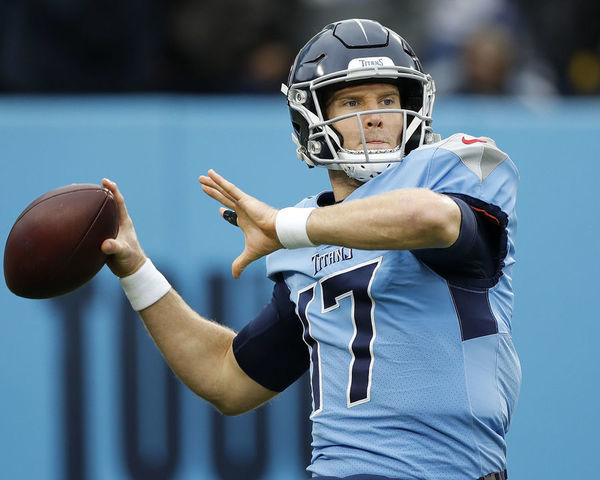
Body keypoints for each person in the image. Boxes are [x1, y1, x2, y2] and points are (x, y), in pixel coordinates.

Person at [101, 19, 520, 480]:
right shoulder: (303, 246)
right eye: (352, 102)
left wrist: (287, 226)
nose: (376, 116)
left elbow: (430, 219)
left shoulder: (449, 168)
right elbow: (225, 379)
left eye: (388, 100)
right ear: (312, 120)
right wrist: (135, 270)